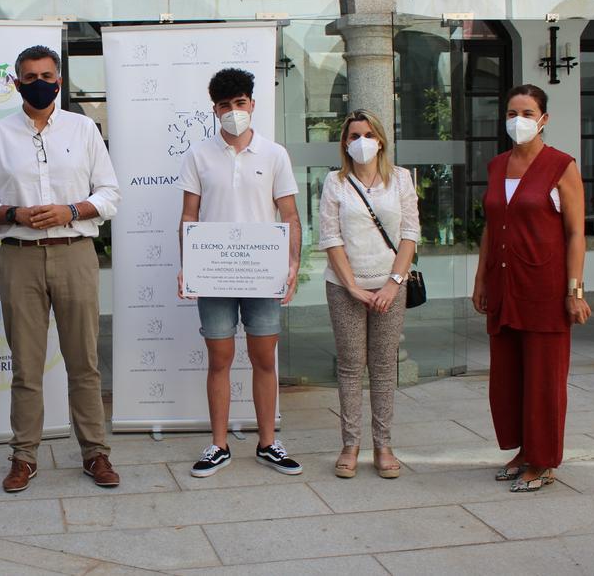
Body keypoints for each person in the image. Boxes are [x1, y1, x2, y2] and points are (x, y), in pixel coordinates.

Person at [0, 45, 121, 493]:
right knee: (26, 366)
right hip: (19, 256)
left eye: (47, 74)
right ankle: (24, 457)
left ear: (59, 79)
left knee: (84, 363)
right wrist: (12, 213)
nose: (39, 81)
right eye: (29, 75)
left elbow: (110, 194)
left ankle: (95, 453)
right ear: (16, 82)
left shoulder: (83, 128)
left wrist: (70, 210)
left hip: (75, 252)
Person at [176, 67, 303, 478]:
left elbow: (290, 216)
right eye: (225, 106)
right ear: (214, 109)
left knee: (265, 358)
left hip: (262, 275)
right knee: (220, 358)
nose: (234, 112)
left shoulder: (275, 154)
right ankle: (218, 444)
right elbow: (188, 215)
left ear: (253, 103)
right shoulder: (198, 155)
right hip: (214, 275)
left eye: (240, 103)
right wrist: (187, 267)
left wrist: (293, 264)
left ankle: (268, 443)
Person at [472, 84, 591, 493]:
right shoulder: (497, 165)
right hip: (504, 285)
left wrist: (574, 291)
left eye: (526, 112)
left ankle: (543, 461)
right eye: (511, 112)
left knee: (544, 377)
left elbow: (576, 233)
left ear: (543, 119)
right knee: (508, 376)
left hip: (544, 285)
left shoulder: (561, 166)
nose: (517, 120)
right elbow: (491, 226)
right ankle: (524, 450)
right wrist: (481, 278)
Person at [317, 109, 419, 479]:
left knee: (382, 367)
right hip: (345, 287)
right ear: (345, 143)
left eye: (368, 134)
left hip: (391, 286)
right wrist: (353, 286)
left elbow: (410, 234)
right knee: (349, 365)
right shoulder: (335, 183)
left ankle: (383, 443)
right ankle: (350, 443)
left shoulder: (401, 180)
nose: (362, 142)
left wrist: (393, 282)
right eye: (354, 135)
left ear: (380, 140)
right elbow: (330, 238)